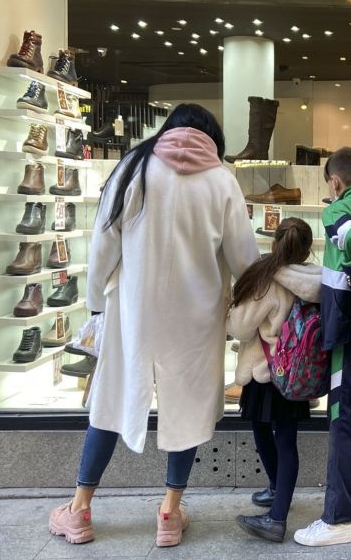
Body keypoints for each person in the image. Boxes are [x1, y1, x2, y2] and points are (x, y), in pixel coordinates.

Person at [47, 104, 259, 548]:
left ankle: (80, 508)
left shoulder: (134, 167)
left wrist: (95, 304)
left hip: (133, 310)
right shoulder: (222, 180)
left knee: (109, 401)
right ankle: (169, 511)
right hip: (196, 317)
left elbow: (104, 242)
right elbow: (243, 258)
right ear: (212, 138)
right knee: (186, 407)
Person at [294, 147, 351, 547]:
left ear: (335, 181)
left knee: (343, 420)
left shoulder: (336, 211)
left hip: (347, 331)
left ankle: (340, 518)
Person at [228, 217, 321, 543]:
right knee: (286, 439)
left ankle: (277, 516)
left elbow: (238, 328)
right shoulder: (316, 281)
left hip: (266, 372)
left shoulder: (265, 280)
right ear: (308, 248)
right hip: (296, 372)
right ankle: (278, 491)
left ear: (274, 243)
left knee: (263, 431)